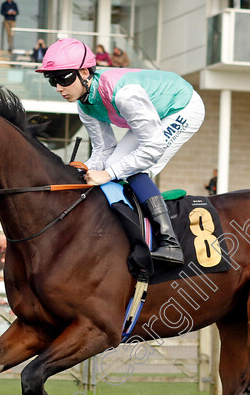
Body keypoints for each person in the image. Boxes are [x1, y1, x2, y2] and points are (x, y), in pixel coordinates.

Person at [37, 38, 205, 264]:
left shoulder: (125, 95)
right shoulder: (84, 104)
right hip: (152, 113)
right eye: (52, 81)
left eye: (63, 78)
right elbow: (104, 149)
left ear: (85, 72)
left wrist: (107, 174)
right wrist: (81, 170)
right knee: (115, 167)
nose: (58, 87)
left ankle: (170, 242)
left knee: (133, 169)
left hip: (181, 108)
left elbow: (152, 148)